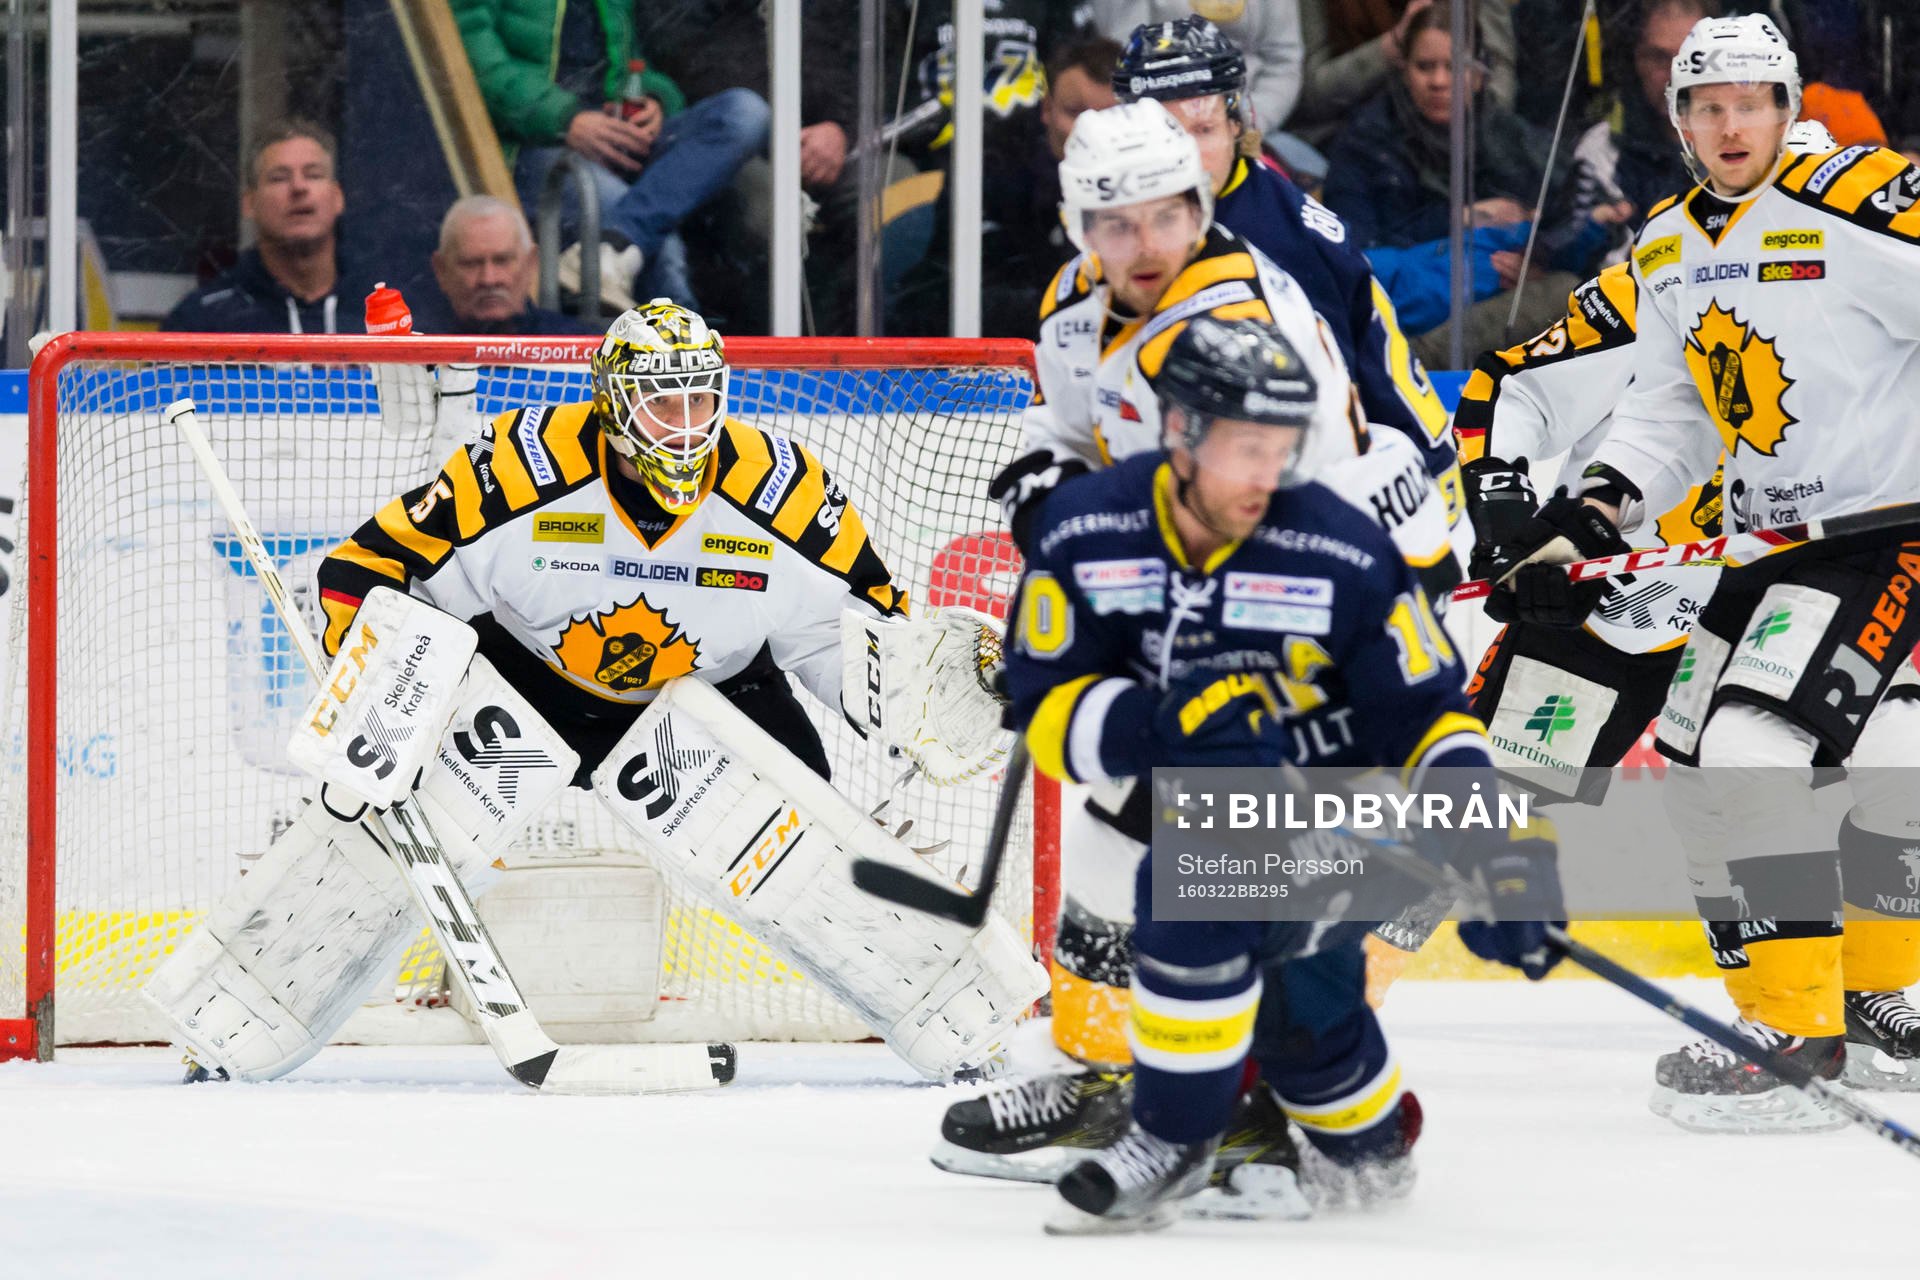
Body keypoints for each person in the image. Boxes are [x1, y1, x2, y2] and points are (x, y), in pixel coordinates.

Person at [937, 99, 1458, 1194]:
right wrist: (1050, 488)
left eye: (1165, 216)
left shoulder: (1243, 319)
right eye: (1114, 222)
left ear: (1200, 205)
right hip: (1198, 603)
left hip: (1324, 623)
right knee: (1112, 846)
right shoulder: (1075, 304)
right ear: (1079, 226)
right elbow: (1069, 429)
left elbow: (1299, 513)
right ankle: (1115, 1076)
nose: (1142, 243)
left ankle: (1263, 1114)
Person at [1000, 317, 1561, 1232]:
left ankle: (1194, 1137)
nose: (1268, 475)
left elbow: (1427, 720)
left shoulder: (1340, 546)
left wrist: (1497, 854)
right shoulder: (1088, 531)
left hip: (1356, 816)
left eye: (1282, 449)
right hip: (1205, 811)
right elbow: (1044, 713)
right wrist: (1155, 725)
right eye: (1245, 449)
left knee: (1204, 892)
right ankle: (1326, 1142)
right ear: (1179, 431)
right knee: (1302, 1016)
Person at [1491, 13, 1920, 1130]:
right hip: (1757, 550)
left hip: (1882, 535)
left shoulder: (1858, 199)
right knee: (1723, 773)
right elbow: (1673, 410)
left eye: (1752, 104)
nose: (1732, 126)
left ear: (1788, 108)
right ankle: (1856, 1006)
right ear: (1679, 119)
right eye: (1709, 107)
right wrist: (1593, 513)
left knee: (1758, 748)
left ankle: (1801, 1035)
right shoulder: (1672, 242)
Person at [316, 298, 901, 782]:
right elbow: (374, 564)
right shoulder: (523, 467)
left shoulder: (783, 489)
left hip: (718, 702)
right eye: (661, 401)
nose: (685, 426)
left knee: (817, 859)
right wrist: (374, 687)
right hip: (526, 694)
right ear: (613, 403)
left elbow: (851, 624)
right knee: (374, 838)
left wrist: (905, 703)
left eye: (698, 398)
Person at [1111, 16, 1460, 519]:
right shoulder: (1116, 216)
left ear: (1237, 123)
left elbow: (1337, 411)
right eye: (1162, 132)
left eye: (1203, 129)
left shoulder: (1290, 240)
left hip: (1340, 487)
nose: (1182, 154)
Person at [1320, 2, 1625, 367]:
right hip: (1400, 318)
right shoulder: (1363, 144)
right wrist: (1460, 219)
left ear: (1480, 74)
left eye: (1455, 67)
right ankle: (1409, 365)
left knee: (1567, 291)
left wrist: (1535, 262)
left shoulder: (1510, 138)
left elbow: (1594, 218)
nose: (1439, 81)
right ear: (1402, 70)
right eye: (1425, 66)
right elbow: (1352, 257)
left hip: (1497, 309)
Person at [449, 0, 769, 313]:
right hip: (535, 146)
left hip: (619, 139)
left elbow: (634, 63)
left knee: (744, 113)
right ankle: (680, 338)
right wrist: (567, 120)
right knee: (653, 233)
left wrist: (652, 101)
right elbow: (474, 63)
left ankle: (614, 246)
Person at [163, 120, 382, 334]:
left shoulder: (386, 311)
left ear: (338, 197)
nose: (298, 187)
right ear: (249, 203)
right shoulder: (202, 321)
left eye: (313, 175)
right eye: (279, 178)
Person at [978, 33, 1122, 337]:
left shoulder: (1157, 184)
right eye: (1076, 112)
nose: (1089, 130)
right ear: (1047, 109)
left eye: (1109, 116)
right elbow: (971, 294)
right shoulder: (991, 166)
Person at [1289, 0, 1516, 148]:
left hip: (1462, 139)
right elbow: (1310, 98)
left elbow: (1498, 79)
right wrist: (1391, 46)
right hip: (1350, 135)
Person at [1088, 0, 1303, 140]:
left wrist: (1249, 121)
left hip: (1253, 119)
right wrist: (1175, 123)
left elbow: (1284, 61)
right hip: (1157, 120)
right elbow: (1124, 55)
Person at [415, 195, 597, 335]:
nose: (489, 279)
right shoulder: (415, 355)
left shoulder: (581, 352)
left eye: (502, 261)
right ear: (441, 270)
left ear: (531, 263)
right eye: (471, 264)